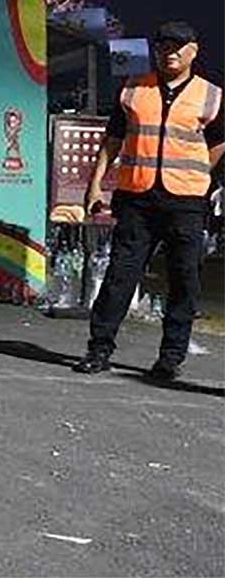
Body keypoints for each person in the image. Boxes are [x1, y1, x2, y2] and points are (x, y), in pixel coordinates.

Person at [75, 21, 223, 380]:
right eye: (163, 46)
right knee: (120, 276)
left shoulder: (211, 95)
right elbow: (112, 140)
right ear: (155, 50)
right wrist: (95, 185)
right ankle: (99, 350)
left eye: (178, 47)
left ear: (193, 51)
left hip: (185, 201)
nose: (170, 53)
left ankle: (170, 359)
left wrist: (199, 173)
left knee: (184, 279)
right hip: (137, 198)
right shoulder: (132, 90)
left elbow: (218, 143)